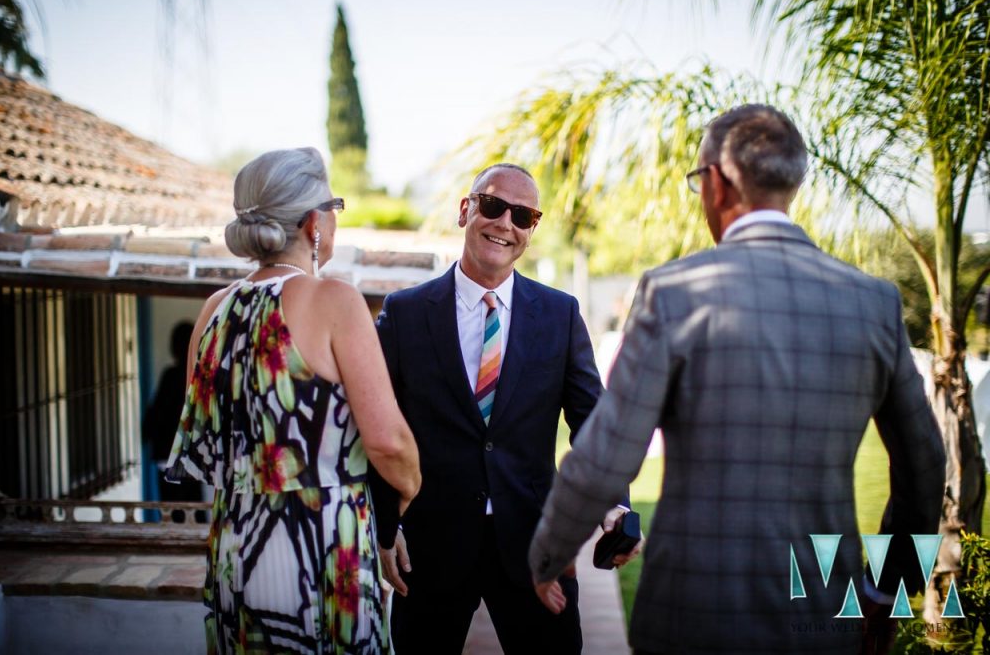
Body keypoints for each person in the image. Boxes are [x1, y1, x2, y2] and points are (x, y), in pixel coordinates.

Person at [528, 105, 946, 654]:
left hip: (691, 613)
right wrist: (885, 588)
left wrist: (547, 558)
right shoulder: (873, 302)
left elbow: (605, 454)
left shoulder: (673, 292)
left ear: (718, 184)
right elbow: (925, 465)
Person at [371, 163, 636, 655]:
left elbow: (593, 421)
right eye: (493, 206)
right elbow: (378, 423)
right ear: (465, 210)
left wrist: (613, 504)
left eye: (523, 215)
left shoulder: (560, 314)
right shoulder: (405, 313)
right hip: (433, 544)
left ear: (532, 230)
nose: (505, 224)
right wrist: (385, 525)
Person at [165, 147, 421, 654]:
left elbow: (205, 435)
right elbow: (388, 442)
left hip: (236, 546)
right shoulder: (333, 301)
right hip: (320, 546)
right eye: (335, 206)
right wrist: (410, 487)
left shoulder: (213, 311)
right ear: (313, 222)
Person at [143, 321, 201, 504]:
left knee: (171, 512)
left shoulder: (170, 376)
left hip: (168, 455)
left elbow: (155, 417)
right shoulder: (200, 377)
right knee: (193, 514)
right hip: (192, 457)